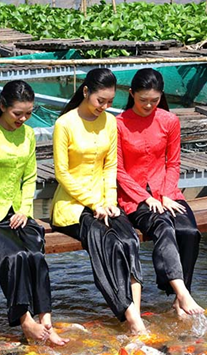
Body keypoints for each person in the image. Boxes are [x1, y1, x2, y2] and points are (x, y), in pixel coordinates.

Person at [0, 80, 68, 346]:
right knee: (15, 257)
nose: (23, 119)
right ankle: (25, 321)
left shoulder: (28, 135)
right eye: (18, 113)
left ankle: (46, 321)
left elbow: (29, 178)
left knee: (35, 254)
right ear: (3, 106)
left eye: (28, 113)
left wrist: (24, 210)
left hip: (17, 213)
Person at [51, 68, 147, 335]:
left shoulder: (110, 122)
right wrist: (94, 203)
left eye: (109, 102)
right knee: (107, 242)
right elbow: (62, 173)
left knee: (129, 239)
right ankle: (132, 319)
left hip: (105, 203)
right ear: (86, 92)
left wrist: (110, 202)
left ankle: (135, 314)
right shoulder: (65, 124)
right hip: (72, 206)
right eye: (100, 101)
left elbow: (110, 166)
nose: (104, 107)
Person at [116, 69, 204, 317]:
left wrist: (165, 195)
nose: (148, 105)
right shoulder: (119, 124)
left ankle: (179, 298)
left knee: (189, 232)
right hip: (135, 196)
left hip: (167, 191)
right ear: (131, 94)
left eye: (154, 100)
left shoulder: (169, 120)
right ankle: (182, 293)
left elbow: (173, 163)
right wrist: (146, 198)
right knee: (163, 226)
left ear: (161, 96)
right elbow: (118, 170)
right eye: (142, 100)